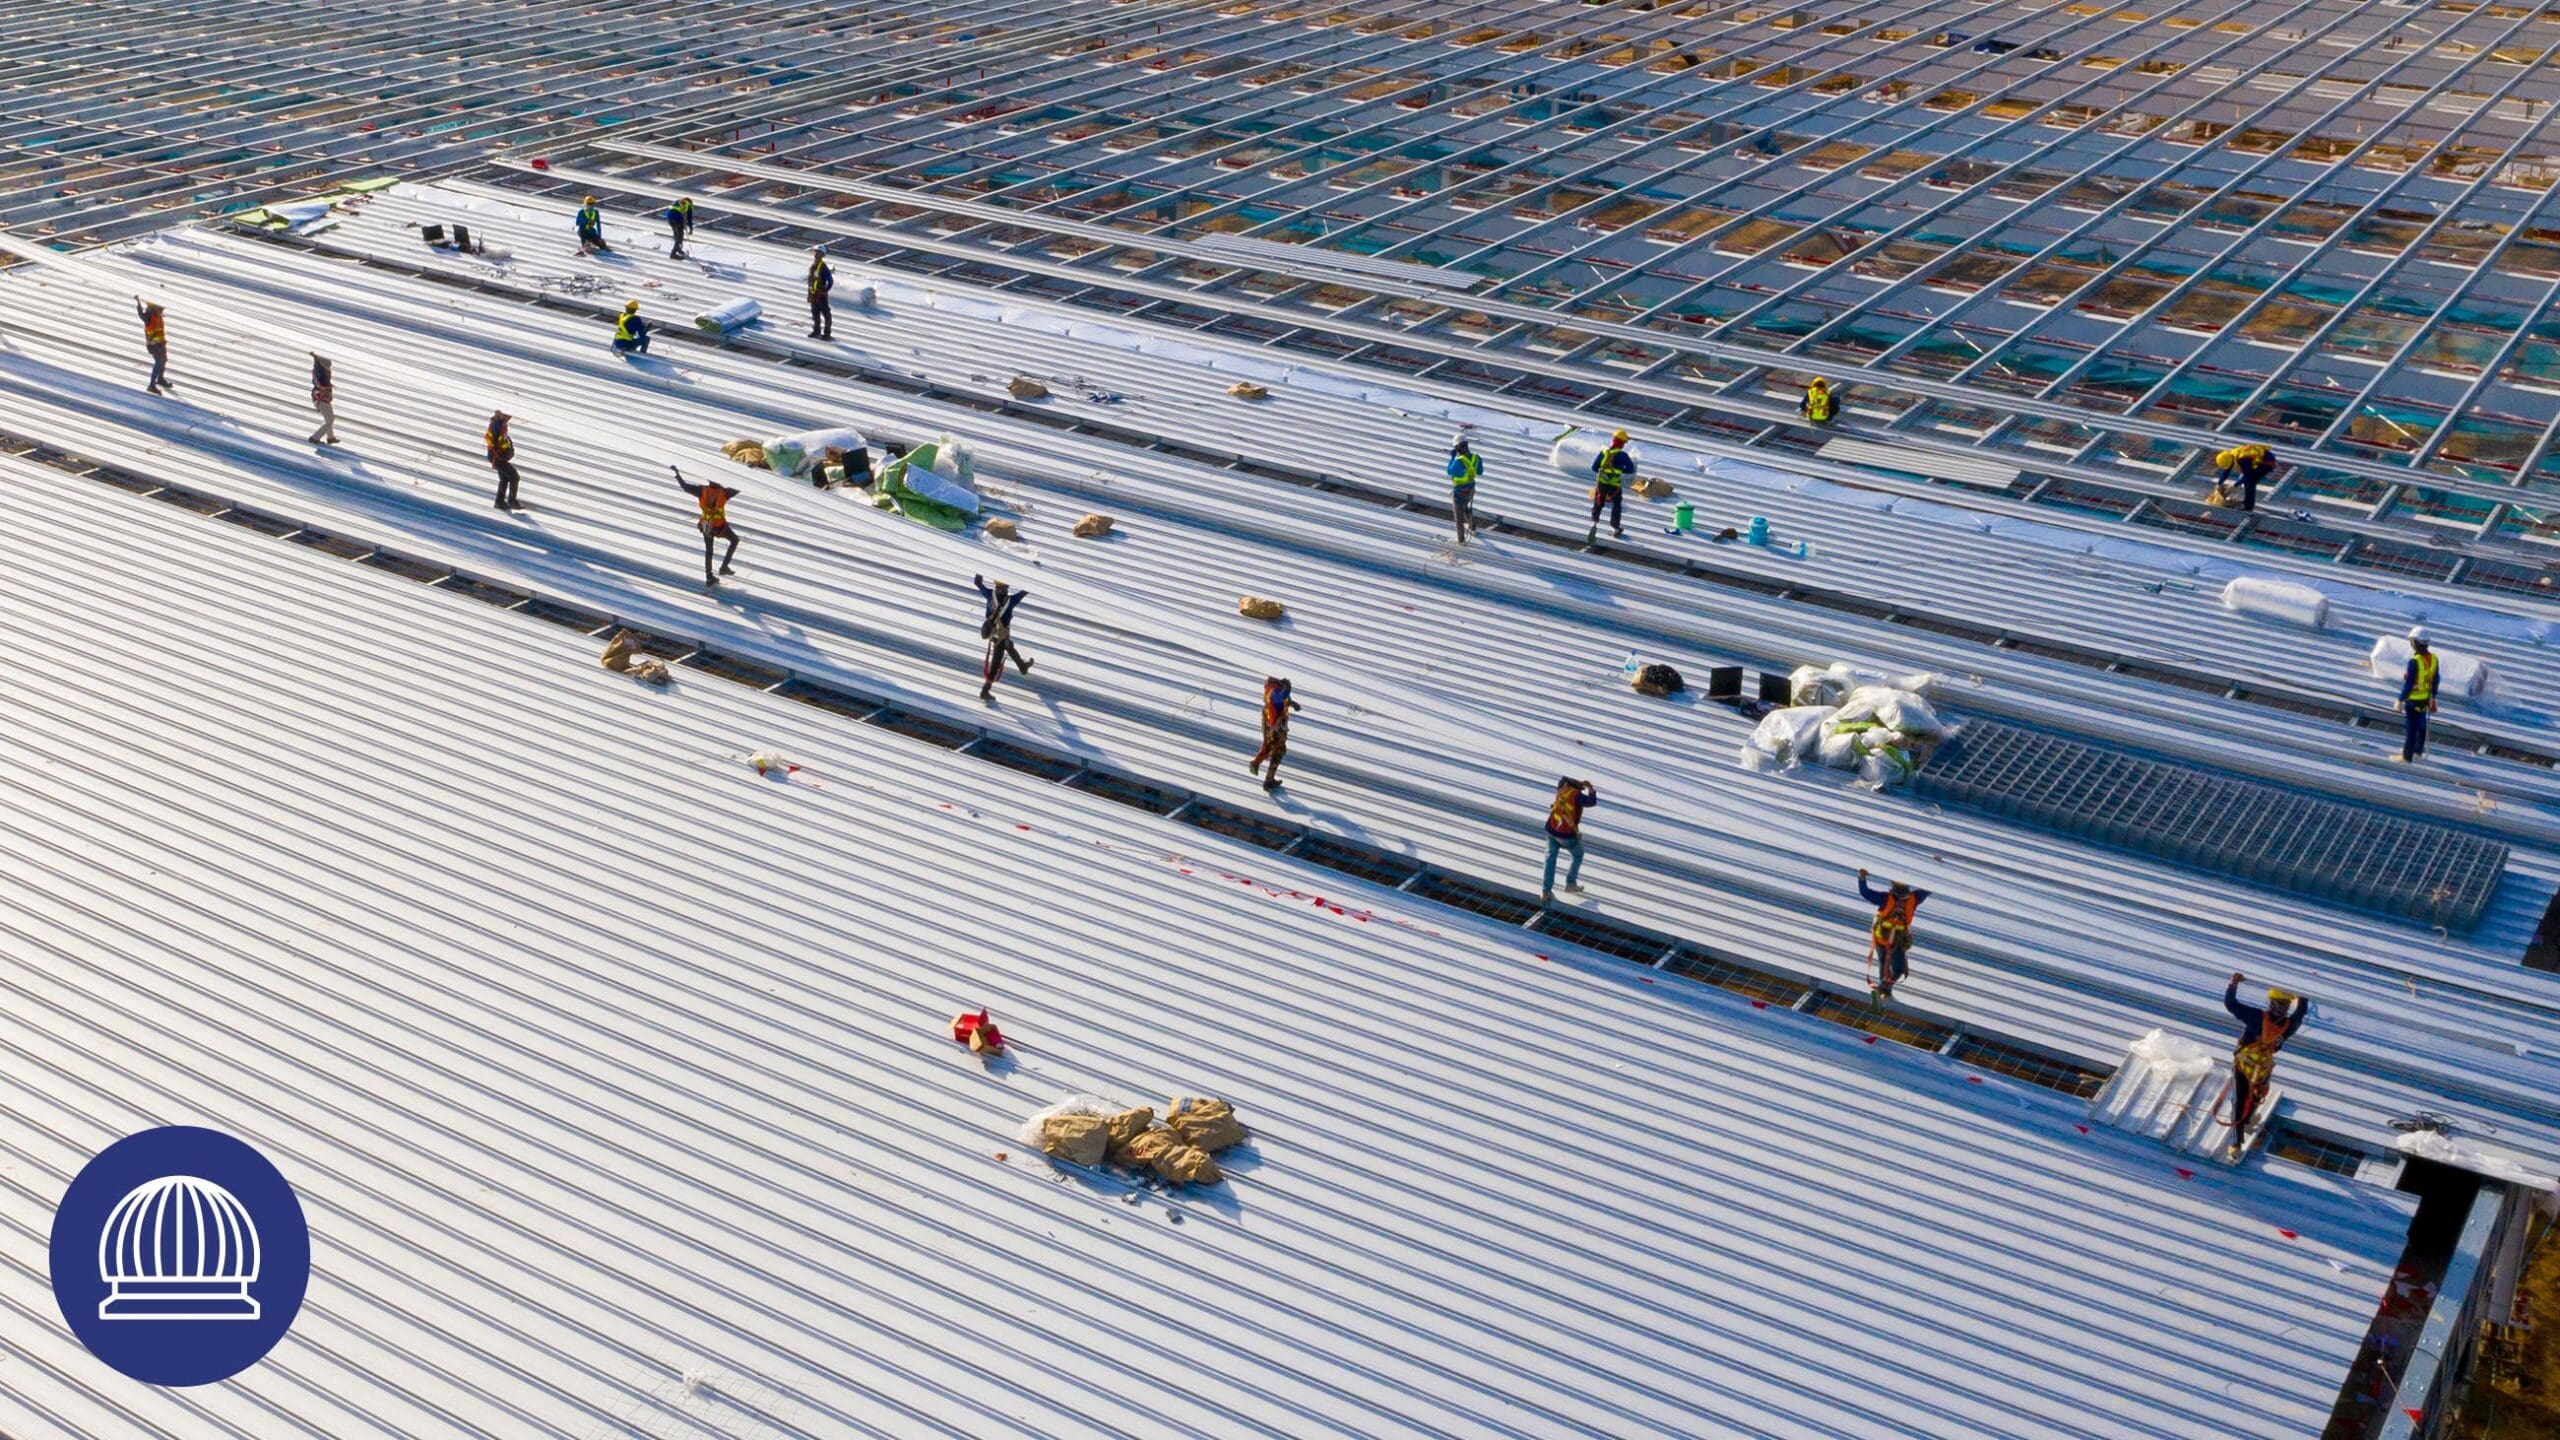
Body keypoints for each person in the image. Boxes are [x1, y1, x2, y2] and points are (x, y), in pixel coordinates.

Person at [2224, 972, 2309, 1157]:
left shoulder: (2273, 1022)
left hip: (2255, 1068)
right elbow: (2301, 1013)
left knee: (2248, 1100)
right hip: (2251, 1068)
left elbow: (2231, 1005)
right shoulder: (2273, 1022)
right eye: (2281, 1005)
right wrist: (2304, 995)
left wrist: (2234, 983)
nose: (2280, 1009)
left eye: (2282, 1005)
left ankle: (2242, 1129)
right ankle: (2236, 1142)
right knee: (2244, 1099)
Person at [1858, 868, 1929, 1003]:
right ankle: (1885, 989)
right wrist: (1933, 865)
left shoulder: (1885, 899)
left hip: (1882, 939)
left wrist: (1862, 877)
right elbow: (1928, 889)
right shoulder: (1914, 899)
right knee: (1898, 969)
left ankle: (1883, 989)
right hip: (1898, 941)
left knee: (1884, 962)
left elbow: (1865, 892)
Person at [673, 466, 741, 584]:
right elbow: (739, 487)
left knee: (709, 550)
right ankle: (724, 567)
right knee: (734, 540)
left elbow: (685, 487)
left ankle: (709, 577)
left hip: (706, 524)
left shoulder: (702, 490)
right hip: (719, 526)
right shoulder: (724, 492)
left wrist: (678, 475)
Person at [973, 574, 1033, 700]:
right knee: (995, 664)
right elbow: (1024, 592)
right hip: (1001, 636)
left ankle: (1022, 666)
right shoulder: (1010, 601)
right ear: (1005, 587)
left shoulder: (990, 595)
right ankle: (985, 690)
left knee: (1009, 647)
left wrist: (979, 572)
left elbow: (977, 583)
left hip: (995, 635)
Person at [1541, 777, 1598, 903]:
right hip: (1565, 835)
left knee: (1550, 859)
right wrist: (1591, 788)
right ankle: (1570, 883)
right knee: (1578, 854)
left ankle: (1546, 891)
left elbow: (1563, 780)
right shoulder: (1577, 796)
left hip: (1551, 829)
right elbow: (1591, 802)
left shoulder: (1562, 789)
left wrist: (1578, 783)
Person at [1248, 676, 1301, 792]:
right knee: (1277, 750)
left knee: (1273, 749)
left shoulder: (1270, 691)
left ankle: (1267, 777)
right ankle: (1261, 771)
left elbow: (1283, 700)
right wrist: (1288, 687)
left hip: (1271, 726)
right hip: (1275, 729)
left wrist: (1293, 704)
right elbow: (1281, 697)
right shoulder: (1274, 693)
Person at [2399, 626, 2439, 763]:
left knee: (2411, 729)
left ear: (2415, 643)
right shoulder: (2433, 659)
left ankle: (2406, 756)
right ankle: (2418, 751)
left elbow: (2409, 683)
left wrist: (2400, 699)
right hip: (2426, 699)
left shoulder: (2414, 662)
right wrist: (2433, 698)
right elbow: (2436, 679)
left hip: (2413, 700)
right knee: (2422, 726)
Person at [1588, 430, 1633, 543]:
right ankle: (1616, 527)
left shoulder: (1604, 453)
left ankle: (1594, 523)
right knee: (1616, 505)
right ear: (1622, 443)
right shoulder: (1623, 456)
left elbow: (1594, 468)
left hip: (1602, 484)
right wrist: (1620, 469)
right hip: (1614, 486)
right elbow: (1630, 470)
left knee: (1598, 503)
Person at [2213, 444, 2274, 513]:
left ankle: (2248, 506)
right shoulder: (2231, 455)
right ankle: (2247, 503)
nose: (2231, 467)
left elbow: (2248, 474)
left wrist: (2235, 485)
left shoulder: (2243, 460)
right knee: (2248, 481)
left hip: (2267, 463)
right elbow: (2227, 470)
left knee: (2250, 482)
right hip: (2261, 461)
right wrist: (2219, 483)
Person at [1446, 436, 1482, 544]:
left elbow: (1449, 471)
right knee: (1466, 507)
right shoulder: (1476, 458)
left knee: (1458, 516)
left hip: (1459, 491)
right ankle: (1473, 527)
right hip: (1470, 489)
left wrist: (1452, 457)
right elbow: (1480, 472)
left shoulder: (1458, 461)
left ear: (1457, 447)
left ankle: (1461, 540)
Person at [485, 411, 522, 510]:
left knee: (504, 478)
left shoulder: (500, 425)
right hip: (498, 458)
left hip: (499, 458)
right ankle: (512, 501)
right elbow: (494, 443)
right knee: (514, 477)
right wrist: (498, 456)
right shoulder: (497, 425)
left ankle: (499, 502)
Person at [135, 298, 170, 394]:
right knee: (159, 362)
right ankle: (151, 385)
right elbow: (141, 315)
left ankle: (160, 379)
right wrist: (138, 304)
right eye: (160, 308)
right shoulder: (149, 317)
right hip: (154, 345)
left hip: (160, 343)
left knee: (163, 361)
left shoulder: (157, 316)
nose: (162, 310)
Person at [307, 354, 338, 445]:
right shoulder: (321, 373)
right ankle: (315, 437)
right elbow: (320, 383)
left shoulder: (319, 370)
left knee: (328, 419)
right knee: (330, 419)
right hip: (322, 399)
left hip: (321, 398)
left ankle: (330, 437)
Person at [807, 247, 835, 339]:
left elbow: (830, 280)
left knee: (826, 314)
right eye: (815, 253)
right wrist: (809, 294)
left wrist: (825, 290)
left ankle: (827, 334)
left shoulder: (823, 267)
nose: (816, 255)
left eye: (818, 253)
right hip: (814, 294)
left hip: (821, 295)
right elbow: (810, 281)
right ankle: (816, 331)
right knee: (815, 314)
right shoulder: (812, 266)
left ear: (822, 255)